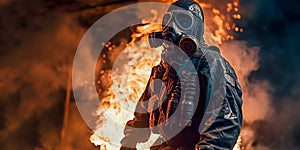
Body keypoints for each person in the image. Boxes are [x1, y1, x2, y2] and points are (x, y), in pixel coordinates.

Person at [120, 0, 243, 149]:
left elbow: (224, 127)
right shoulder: (162, 70)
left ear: (196, 28)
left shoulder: (212, 65)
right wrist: (129, 142)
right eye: (168, 21)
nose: (172, 28)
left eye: (183, 20)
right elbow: (142, 116)